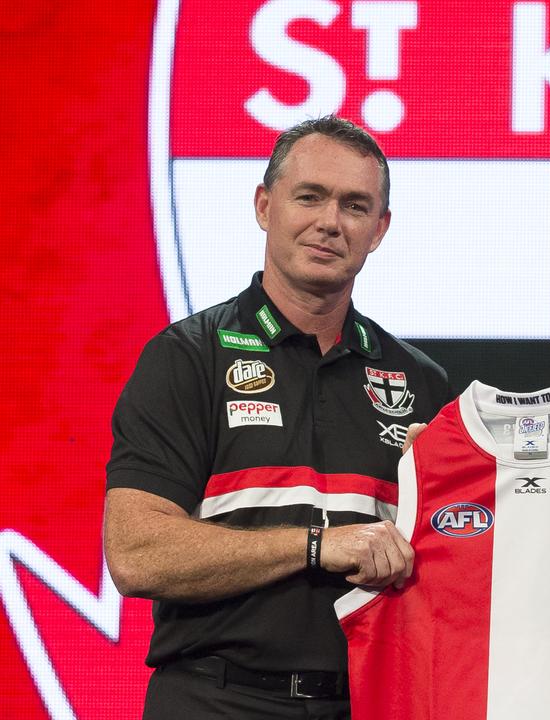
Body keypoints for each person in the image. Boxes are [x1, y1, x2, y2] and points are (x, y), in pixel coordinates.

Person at [104, 115, 449, 719]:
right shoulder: (188, 357)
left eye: (355, 205)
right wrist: (317, 547)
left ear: (379, 230)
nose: (330, 222)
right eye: (309, 197)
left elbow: (458, 563)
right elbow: (136, 554)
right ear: (265, 206)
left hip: (370, 701)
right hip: (214, 698)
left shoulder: (421, 381)